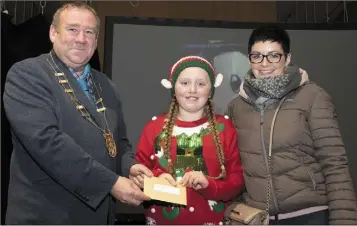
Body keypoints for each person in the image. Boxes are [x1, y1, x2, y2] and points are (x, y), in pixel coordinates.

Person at [2, 2, 152, 224]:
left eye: (89, 32)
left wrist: (130, 166)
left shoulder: (106, 85)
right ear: (53, 33)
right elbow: (48, 144)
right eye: (73, 29)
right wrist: (110, 183)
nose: (81, 39)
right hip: (47, 215)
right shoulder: (27, 75)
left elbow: (118, 143)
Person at [226, 25, 357, 225]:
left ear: (287, 59)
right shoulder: (237, 107)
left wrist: (345, 220)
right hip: (260, 219)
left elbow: (335, 164)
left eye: (273, 56)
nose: (264, 63)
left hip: (311, 216)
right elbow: (234, 169)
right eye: (257, 56)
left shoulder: (313, 97)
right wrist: (233, 210)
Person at [132, 56, 244, 225]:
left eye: (200, 84)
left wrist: (209, 185)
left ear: (211, 89)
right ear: (173, 87)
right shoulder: (154, 128)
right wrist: (156, 178)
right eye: (184, 83)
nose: (192, 90)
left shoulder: (225, 128)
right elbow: (139, 175)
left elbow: (237, 181)